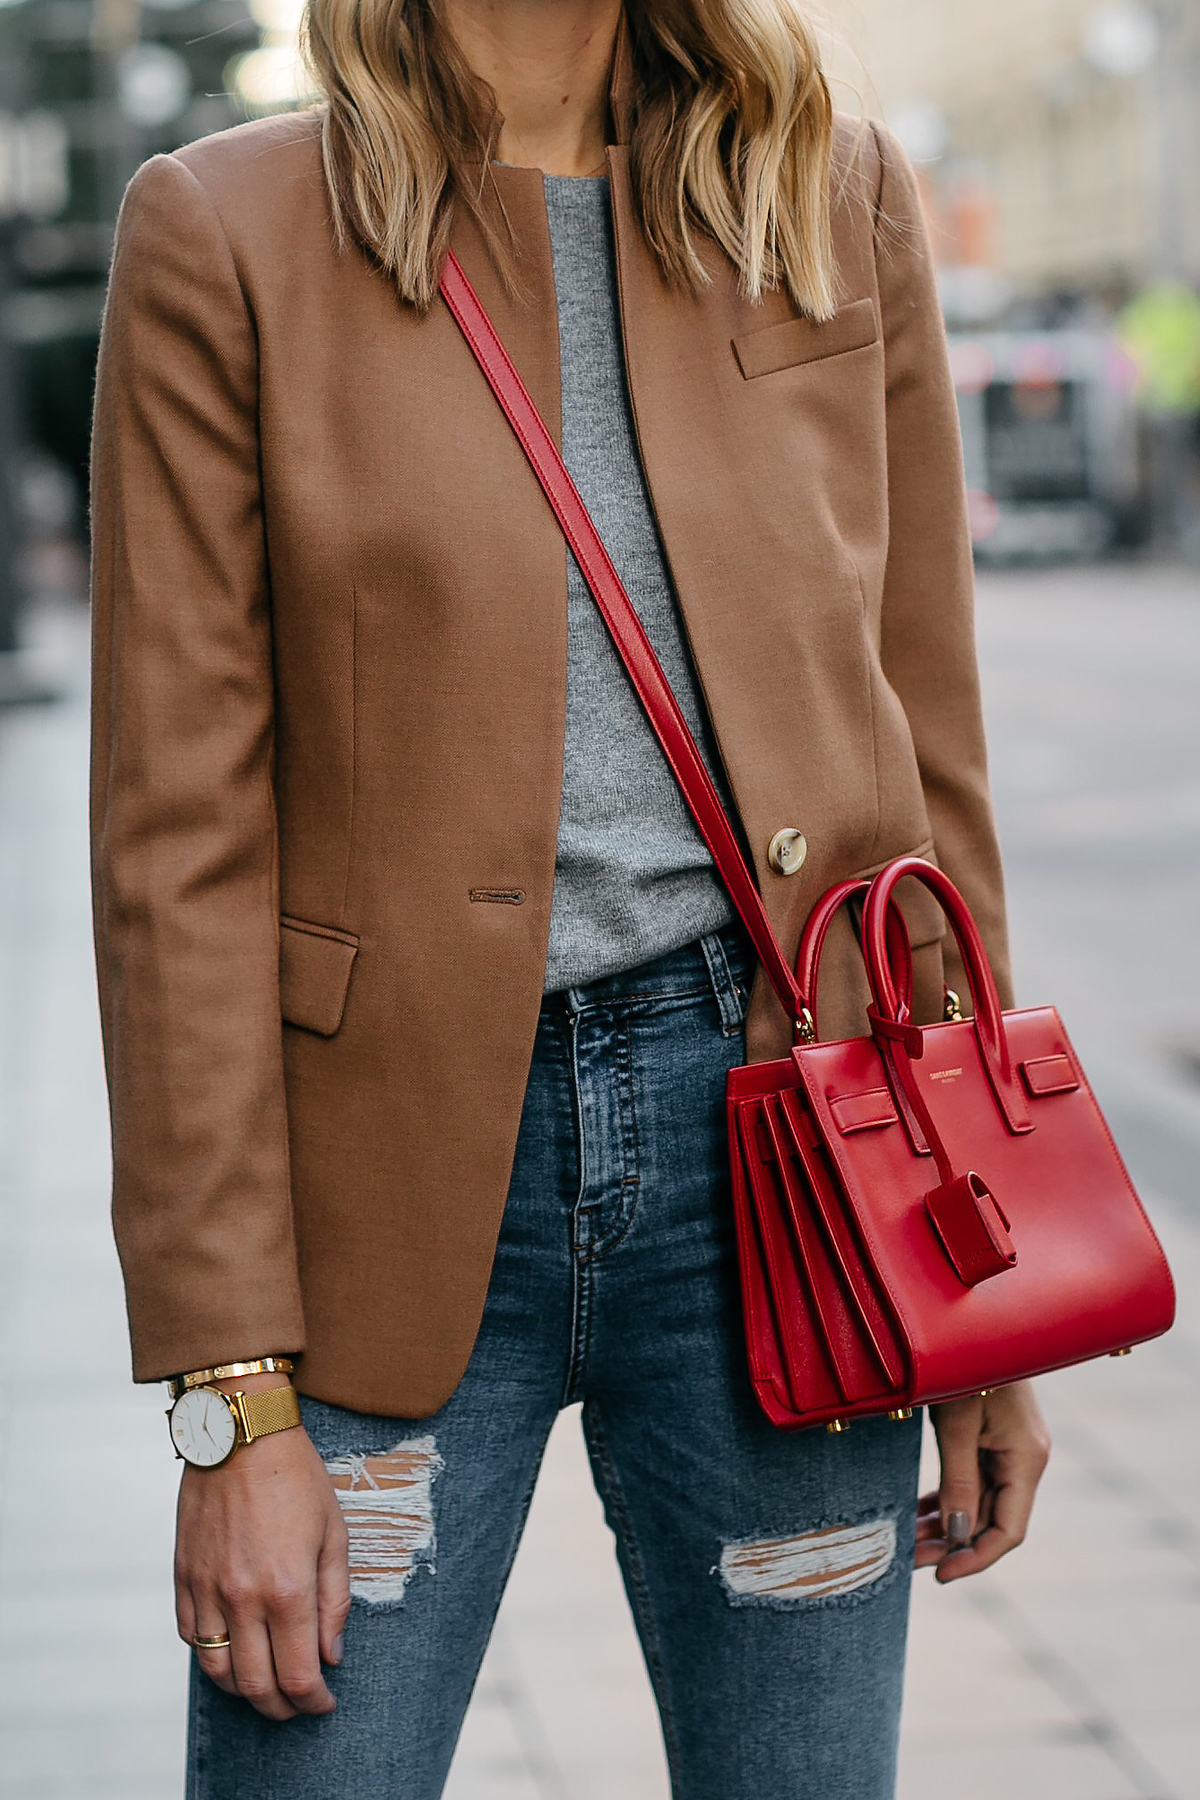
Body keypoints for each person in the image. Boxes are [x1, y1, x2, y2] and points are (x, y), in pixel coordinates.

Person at [88, 2, 1051, 1795]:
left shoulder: (830, 207)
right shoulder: (230, 232)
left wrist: (980, 1276)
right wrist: (230, 1394)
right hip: (382, 1192)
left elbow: (925, 756)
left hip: (785, 1167)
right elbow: (175, 850)